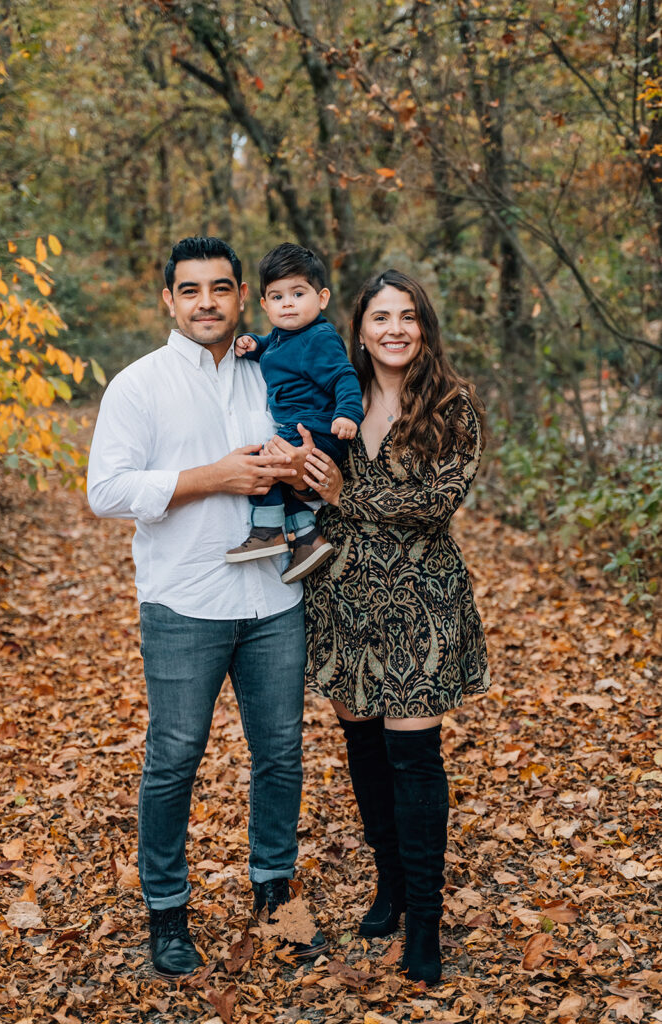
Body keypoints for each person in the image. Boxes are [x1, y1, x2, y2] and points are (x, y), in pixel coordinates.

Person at [87, 236, 328, 978]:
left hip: (275, 599)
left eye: (220, 289)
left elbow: (317, 458)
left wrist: (309, 466)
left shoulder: (271, 370)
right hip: (184, 601)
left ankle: (274, 897)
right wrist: (213, 477)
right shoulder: (139, 385)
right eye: (190, 290)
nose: (206, 303)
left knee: (281, 756)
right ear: (168, 300)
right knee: (174, 760)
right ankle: (167, 912)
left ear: (240, 298)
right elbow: (107, 492)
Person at [300, 269, 491, 985]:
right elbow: (305, 480)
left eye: (408, 316)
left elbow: (437, 503)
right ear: (359, 326)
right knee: (365, 752)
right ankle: (390, 884)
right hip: (345, 598)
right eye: (382, 316)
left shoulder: (451, 402)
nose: (395, 329)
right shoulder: (333, 397)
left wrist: (348, 492)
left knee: (414, 761)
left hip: (421, 606)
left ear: (424, 326)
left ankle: (426, 922)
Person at [225, 243, 364, 584]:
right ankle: (306, 539)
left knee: (261, 460)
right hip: (301, 427)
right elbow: (274, 349)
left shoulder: (318, 337)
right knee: (284, 479)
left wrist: (347, 413)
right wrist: (254, 344)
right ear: (264, 305)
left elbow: (343, 376)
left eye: (298, 293)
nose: (287, 303)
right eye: (277, 297)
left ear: (322, 298)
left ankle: (268, 530)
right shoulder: (283, 337)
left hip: (318, 429)